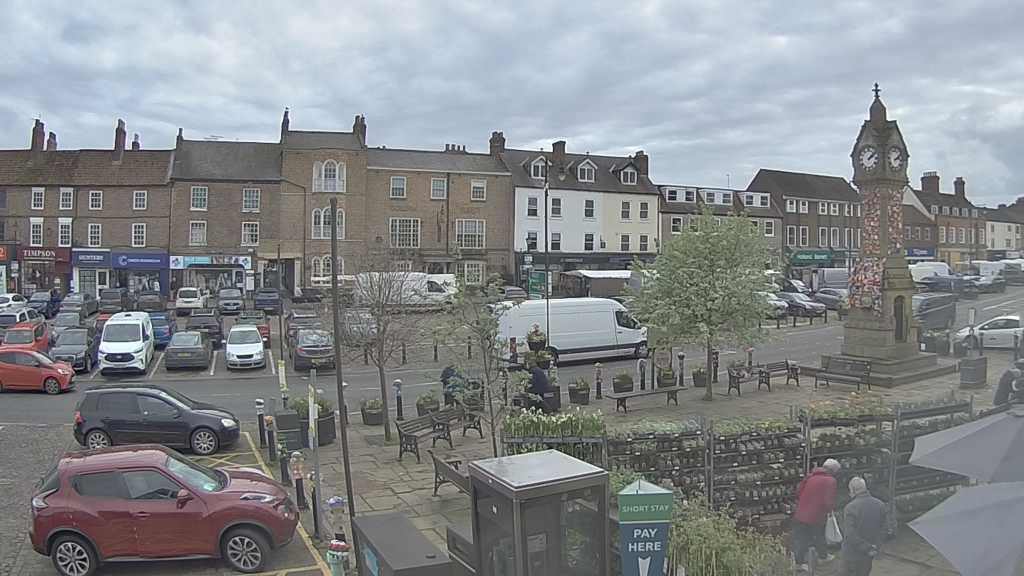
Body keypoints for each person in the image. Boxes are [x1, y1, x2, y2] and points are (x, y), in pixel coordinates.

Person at [792, 458, 840, 571]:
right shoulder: (830, 481)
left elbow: (798, 492)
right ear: (832, 470)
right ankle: (822, 557)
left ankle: (799, 564)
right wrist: (830, 510)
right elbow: (828, 501)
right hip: (817, 515)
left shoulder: (810, 476)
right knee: (819, 536)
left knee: (801, 539)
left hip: (800, 514)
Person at [841, 476, 887, 576]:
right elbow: (884, 528)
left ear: (853, 491)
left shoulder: (851, 507)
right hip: (869, 553)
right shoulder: (880, 504)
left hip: (852, 553)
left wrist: (865, 546)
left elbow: (849, 534)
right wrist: (875, 546)